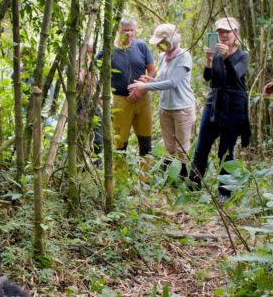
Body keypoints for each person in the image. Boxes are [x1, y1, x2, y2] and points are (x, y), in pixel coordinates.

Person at [188, 17, 251, 202]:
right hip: (214, 102)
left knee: (226, 151)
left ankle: (225, 193)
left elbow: (235, 76)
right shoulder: (215, 54)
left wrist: (225, 58)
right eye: (220, 32)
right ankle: (193, 189)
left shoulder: (242, 55)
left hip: (234, 105)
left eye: (227, 32)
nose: (223, 35)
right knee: (201, 147)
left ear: (235, 34)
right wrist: (209, 60)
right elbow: (209, 78)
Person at [128, 24, 195, 178]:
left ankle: (183, 179)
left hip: (182, 107)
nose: (159, 46)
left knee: (181, 149)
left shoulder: (183, 56)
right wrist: (150, 80)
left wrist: (145, 86)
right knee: (170, 148)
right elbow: (162, 80)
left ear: (170, 40)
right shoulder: (162, 56)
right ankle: (169, 179)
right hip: (165, 107)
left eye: (162, 42)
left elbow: (173, 82)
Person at [96, 16, 156, 157]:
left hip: (143, 98)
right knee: (120, 144)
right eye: (125, 30)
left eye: (131, 30)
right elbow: (94, 70)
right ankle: (120, 178)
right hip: (121, 101)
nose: (129, 34)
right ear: (118, 31)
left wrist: (144, 85)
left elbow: (152, 70)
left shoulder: (141, 46)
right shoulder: (109, 50)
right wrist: (97, 92)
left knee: (146, 142)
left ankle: (144, 179)